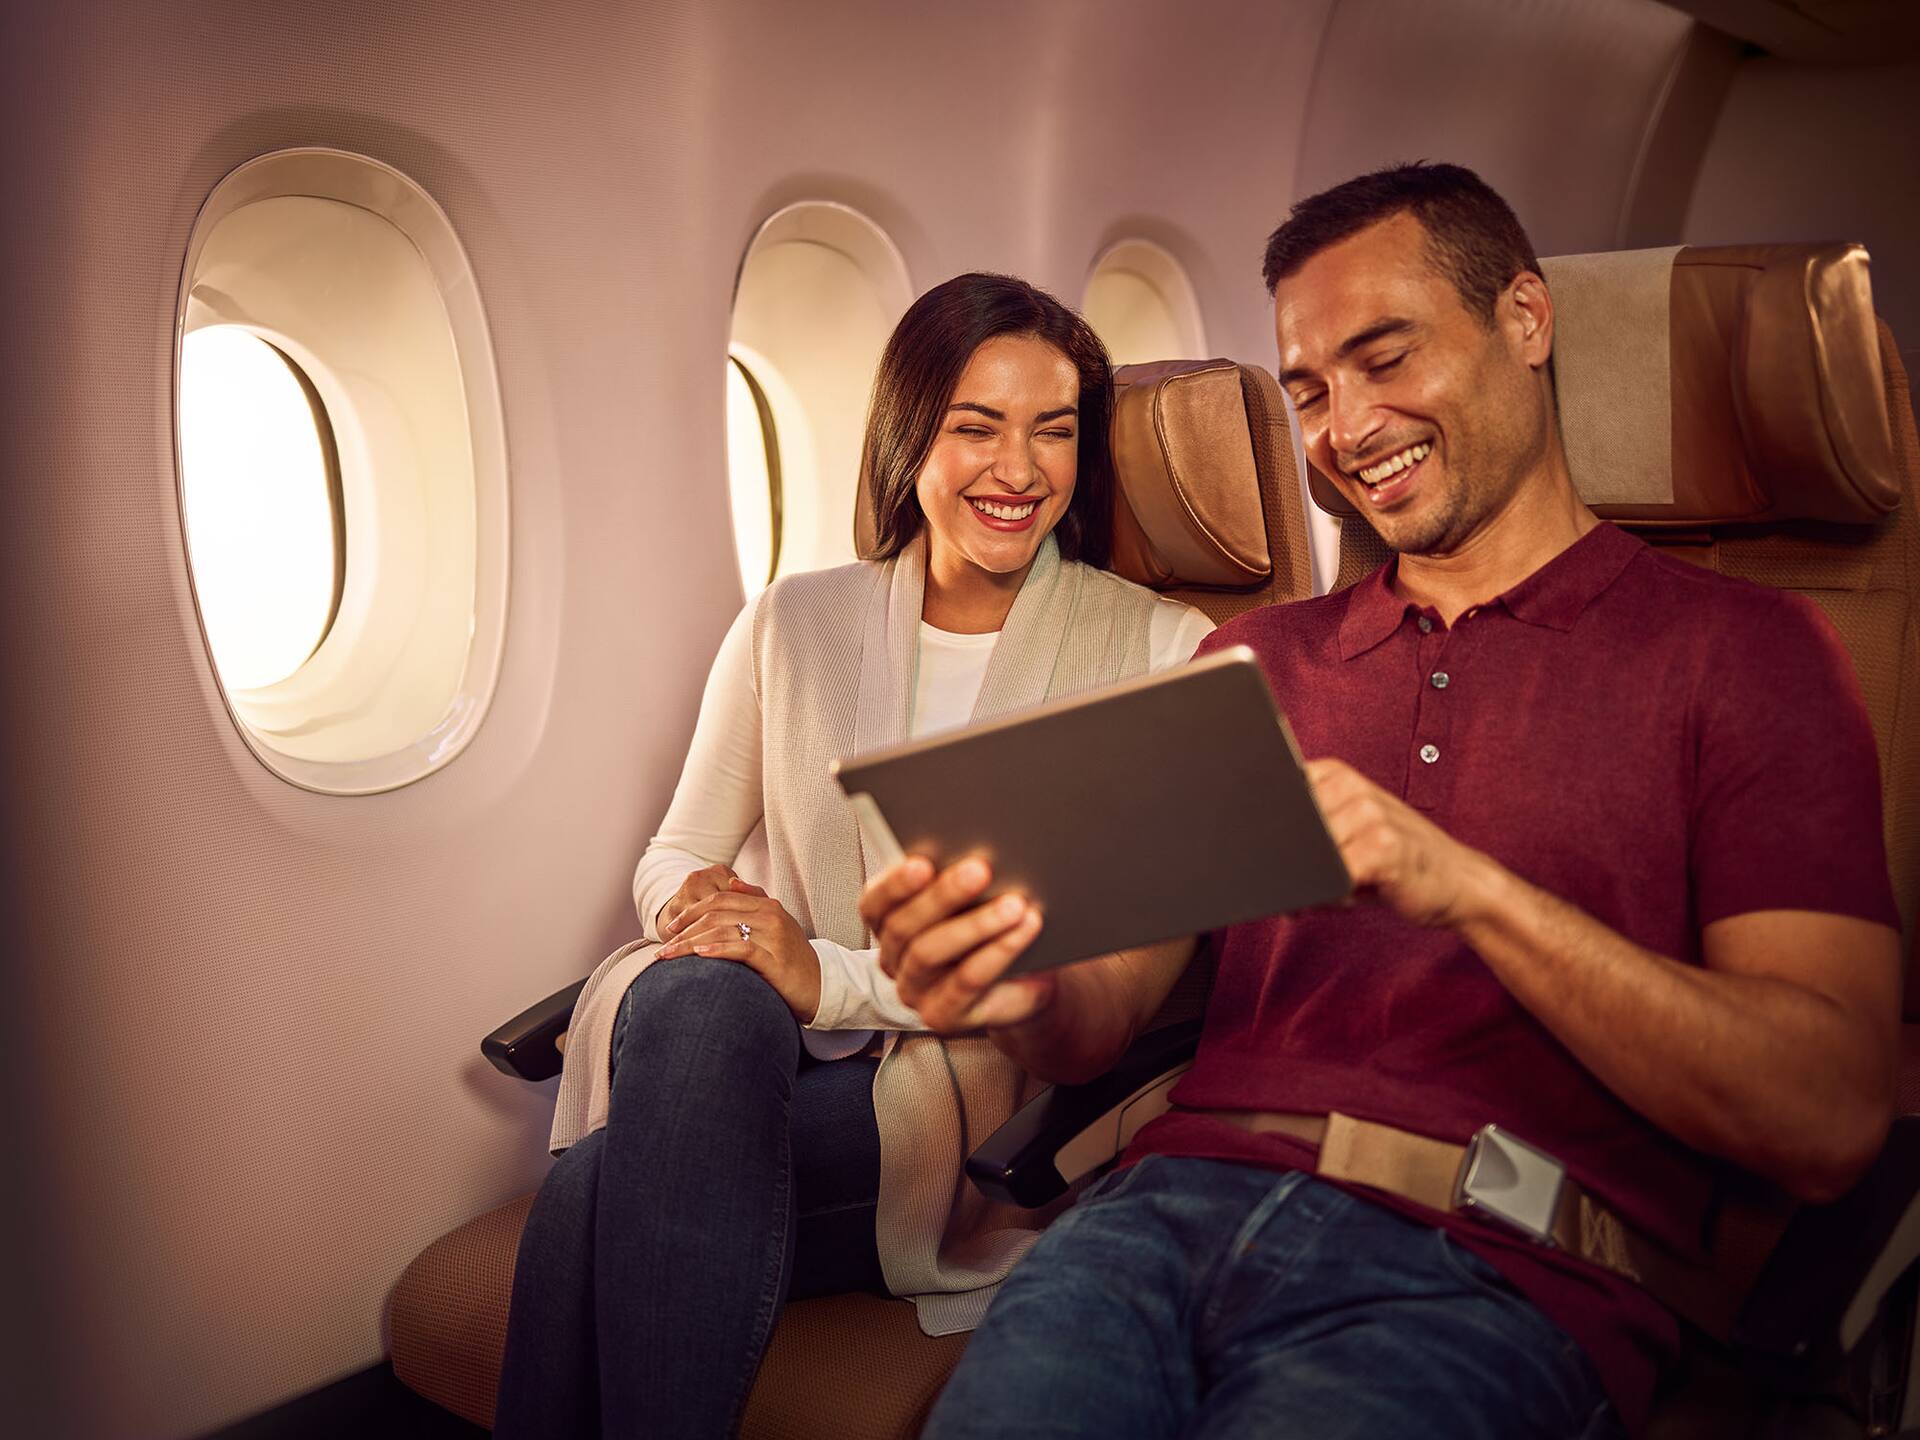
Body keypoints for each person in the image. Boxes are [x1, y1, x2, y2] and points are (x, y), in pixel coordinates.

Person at [857, 164, 1902, 1440]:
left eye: (1385, 358)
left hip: (1495, 1263)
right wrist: (1018, 985)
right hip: (1155, 1221)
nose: (1346, 427)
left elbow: (1829, 1116)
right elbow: (1101, 1018)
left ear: (1525, 320)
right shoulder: (1259, 663)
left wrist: (1467, 887)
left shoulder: (1748, 654)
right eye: (1308, 389)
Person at [492, 271, 1214, 1440]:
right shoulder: (794, 620)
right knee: (704, 1000)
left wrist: (816, 970)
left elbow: (1070, 965)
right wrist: (708, 910)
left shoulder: (1162, 649)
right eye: (977, 426)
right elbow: (677, 847)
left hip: (963, 1079)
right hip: (755, 1051)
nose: (1018, 470)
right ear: (908, 432)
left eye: (1054, 431)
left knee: (586, 1190)